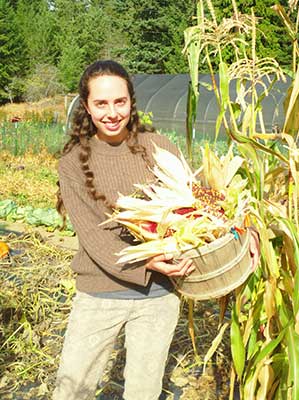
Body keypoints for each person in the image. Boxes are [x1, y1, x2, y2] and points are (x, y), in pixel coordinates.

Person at [53, 59, 195, 400]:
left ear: (132, 101)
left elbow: (193, 209)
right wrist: (147, 262)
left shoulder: (160, 149)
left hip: (158, 298)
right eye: (101, 103)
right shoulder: (72, 163)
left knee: (142, 393)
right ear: (86, 106)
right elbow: (93, 237)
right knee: (72, 390)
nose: (112, 112)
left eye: (120, 101)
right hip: (99, 294)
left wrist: (236, 234)